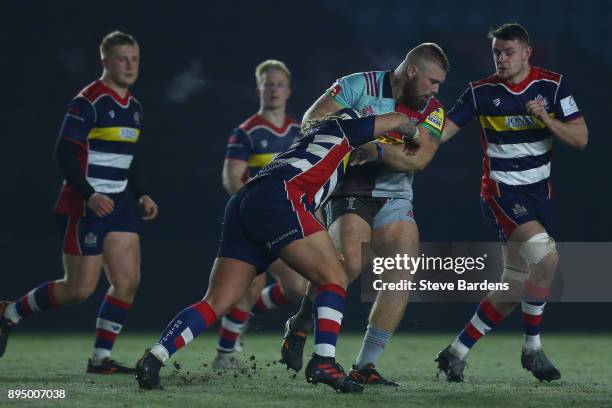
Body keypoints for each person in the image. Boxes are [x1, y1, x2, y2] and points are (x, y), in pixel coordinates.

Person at [135, 108, 420, 393]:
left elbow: (308, 201)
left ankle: (154, 357)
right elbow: (396, 120)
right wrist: (414, 132)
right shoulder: (344, 130)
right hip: (279, 197)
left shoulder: (316, 145)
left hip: (245, 201)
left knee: (216, 301)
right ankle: (323, 361)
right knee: (335, 277)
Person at [280, 43, 449, 386]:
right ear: (412, 71)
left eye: (440, 84)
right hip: (348, 190)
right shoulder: (359, 85)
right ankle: (301, 323)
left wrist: (374, 148)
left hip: (396, 195)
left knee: (401, 273)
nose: (436, 90)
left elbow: (419, 158)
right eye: (432, 81)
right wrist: (363, 133)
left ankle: (364, 366)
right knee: (348, 264)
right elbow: (311, 122)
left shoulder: (434, 109)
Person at [435, 23, 588, 382]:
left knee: (514, 285)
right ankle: (532, 349)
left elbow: (581, 139)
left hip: (539, 197)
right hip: (501, 194)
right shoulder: (480, 93)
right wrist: (401, 141)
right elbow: (440, 134)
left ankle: (455, 352)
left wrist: (546, 118)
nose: (501, 59)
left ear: (526, 53)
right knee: (547, 258)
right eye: (496, 53)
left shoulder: (552, 86)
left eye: (508, 52)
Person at [0, 31, 158, 374]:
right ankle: (8, 313)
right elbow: (64, 154)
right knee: (78, 290)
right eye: (122, 59)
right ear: (105, 61)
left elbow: (130, 158)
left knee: (127, 281)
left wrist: (141, 194)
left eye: (134, 59)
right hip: (83, 206)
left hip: (118, 207)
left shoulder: (134, 107)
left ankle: (100, 359)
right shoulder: (88, 101)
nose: (129, 66)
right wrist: (90, 194)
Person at [214, 60, 306, 369]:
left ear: (289, 91)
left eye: (279, 83)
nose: (274, 88)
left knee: (296, 287)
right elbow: (231, 177)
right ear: (259, 90)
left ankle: (246, 316)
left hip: (284, 223)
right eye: (268, 83)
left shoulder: (299, 131)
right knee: (247, 287)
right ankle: (224, 355)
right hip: (254, 223)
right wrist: (252, 212)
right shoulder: (246, 132)